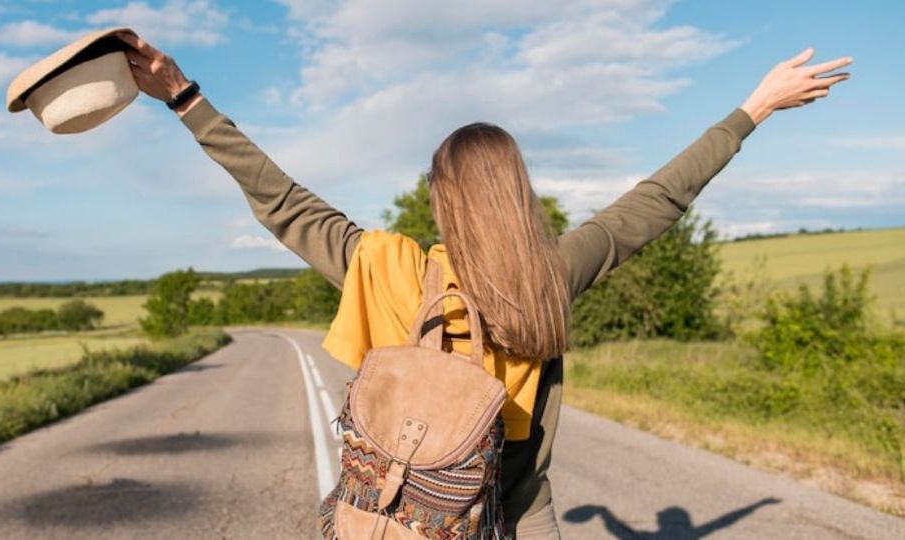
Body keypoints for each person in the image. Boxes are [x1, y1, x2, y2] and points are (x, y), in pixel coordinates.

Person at [117, 31, 851, 539]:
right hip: (518, 511)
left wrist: (184, 95)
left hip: (408, 516)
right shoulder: (550, 275)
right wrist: (753, 109)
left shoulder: (390, 265)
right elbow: (659, 200)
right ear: (515, 194)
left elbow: (280, 198)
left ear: (444, 199)